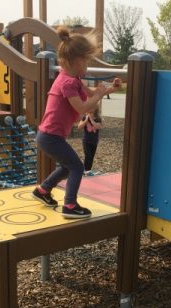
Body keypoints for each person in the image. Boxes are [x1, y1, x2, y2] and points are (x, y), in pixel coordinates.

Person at [32, 26, 120, 219]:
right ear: (76, 60)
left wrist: (110, 89)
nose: (87, 64)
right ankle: (70, 205)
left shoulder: (73, 79)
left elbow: (92, 94)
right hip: (50, 137)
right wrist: (97, 95)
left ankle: (43, 190)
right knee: (77, 167)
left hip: (50, 136)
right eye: (86, 60)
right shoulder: (68, 83)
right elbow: (83, 108)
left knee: (66, 166)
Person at [77, 107, 101, 175]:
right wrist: (85, 121)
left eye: (92, 110)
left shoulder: (98, 119)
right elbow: (79, 127)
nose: (90, 111)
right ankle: (85, 171)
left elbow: (97, 126)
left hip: (94, 141)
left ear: (95, 110)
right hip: (86, 140)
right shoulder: (85, 118)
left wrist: (91, 119)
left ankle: (88, 170)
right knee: (88, 156)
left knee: (91, 157)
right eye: (89, 110)